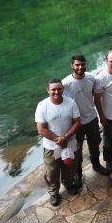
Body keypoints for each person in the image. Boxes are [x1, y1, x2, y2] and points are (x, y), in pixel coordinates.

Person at [62, 55, 109, 185]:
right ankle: (78, 174)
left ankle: (96, 165)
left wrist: (102, 116)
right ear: (72, 65)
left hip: (92, 118)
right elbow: (59, 103)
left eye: (82, 64)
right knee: (77, 150)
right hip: (75, 124)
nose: (80, 67)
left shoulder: (91, 77)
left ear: (86, 64)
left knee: (95, 145)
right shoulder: (65, 84)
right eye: (77, 65)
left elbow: (97, 95)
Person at [35, 78, 81, 206]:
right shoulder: (42, 106)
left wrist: (65, 137)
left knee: (70, 167)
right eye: (53, 89)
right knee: (52, 171)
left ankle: (68, 184)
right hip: (51, 146)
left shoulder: (71, 103)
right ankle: (54, 192)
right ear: (48, 91)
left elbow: (77, 123)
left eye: (59, 88)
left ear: (63, 89)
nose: (56, 92)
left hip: (69, 142)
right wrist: (58, 139)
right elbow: (41, 129)